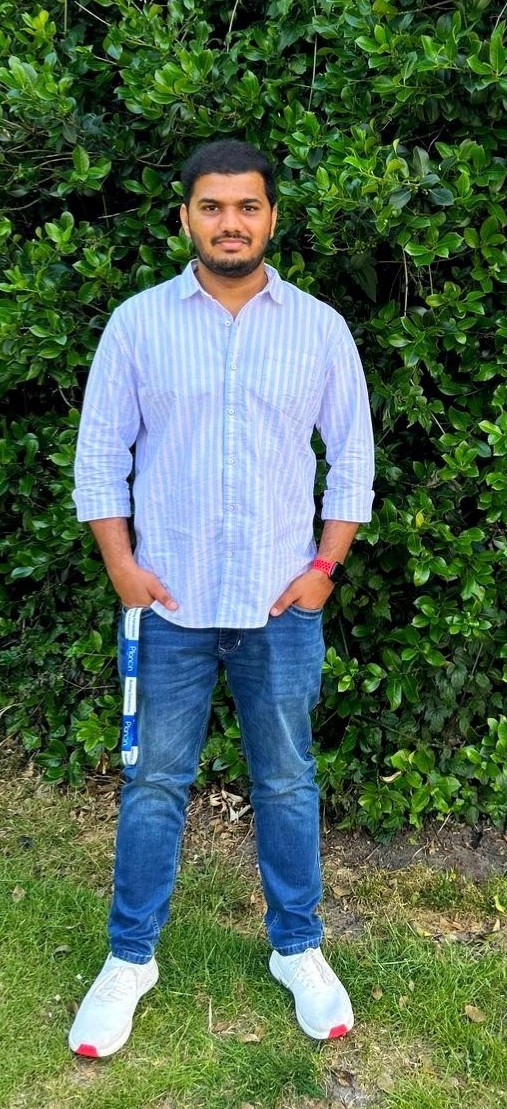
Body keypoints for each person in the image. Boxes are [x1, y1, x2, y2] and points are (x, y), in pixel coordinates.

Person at [70, 139, 374, 1058]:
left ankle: (297, 946)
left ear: (271, 216)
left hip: (281, 607)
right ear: (185, 218)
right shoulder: (137, 325)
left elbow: (351, 459)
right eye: (212, 206)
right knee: (153, 783)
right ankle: (130, 958)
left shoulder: (318, 328)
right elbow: (100, 456)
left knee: (286, 781)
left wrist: (322, 570)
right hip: (167, 604)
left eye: (247, 206)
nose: (229, 223)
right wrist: (121, 566)